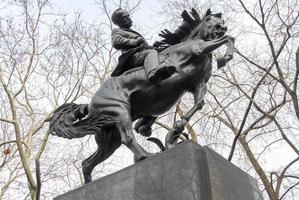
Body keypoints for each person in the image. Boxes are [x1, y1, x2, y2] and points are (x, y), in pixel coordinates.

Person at [110, 8, 174, 83]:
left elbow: (146, 49)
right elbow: (116, 42)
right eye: (125, 17)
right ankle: (153, 73)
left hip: (141, 56)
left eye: (128, 16)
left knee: (157, 52)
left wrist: (155, 46)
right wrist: (135, 42)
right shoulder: (117, 31)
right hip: (132, 59)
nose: (129, 18)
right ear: (118, 21)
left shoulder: (131, 31)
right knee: (151, 53)